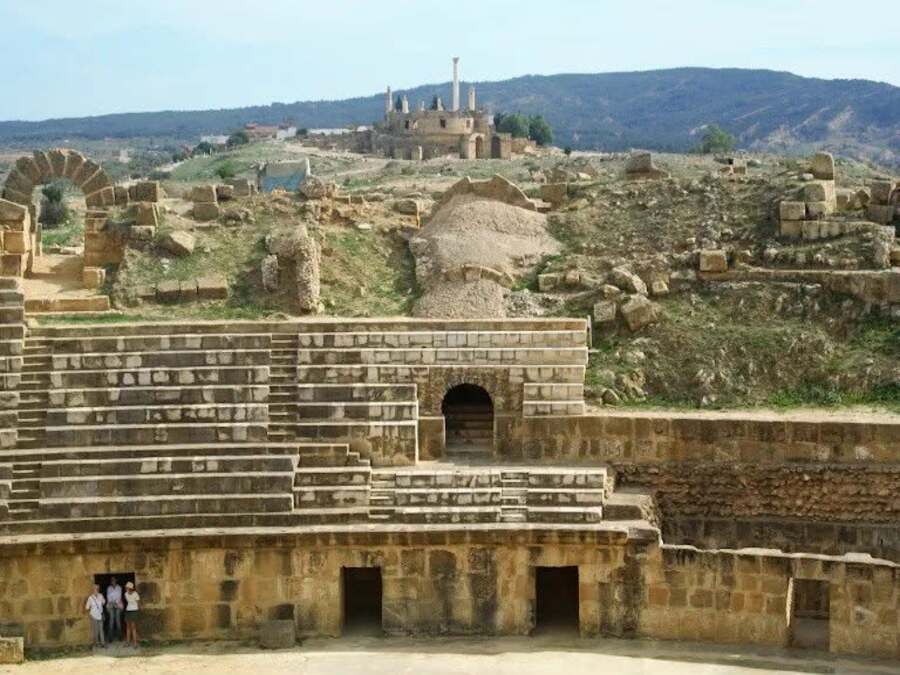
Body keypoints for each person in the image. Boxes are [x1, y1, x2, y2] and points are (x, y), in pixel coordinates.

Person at [85, 584, 105, 648]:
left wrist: (102, 601)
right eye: (95, 589)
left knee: (101, 629)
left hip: (100, 614)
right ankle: (96, 643)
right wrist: (91, 613)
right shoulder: (90, 598)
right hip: (94, 615)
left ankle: (103, 643)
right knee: (96, 630)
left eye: (97, 589)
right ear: (93, 590)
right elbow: (87, 607)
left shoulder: (101, 596)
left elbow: (104, 602)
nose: (96, 590)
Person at [106, 577, 123, 641]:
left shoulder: (119, 588)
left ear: (116, 580)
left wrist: (116, 602)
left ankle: (120, 636)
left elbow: (120, 596)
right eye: (112, 580)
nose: (113, 581)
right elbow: (108, 596)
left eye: (114, 580)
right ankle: (110, 637)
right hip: (111, 604)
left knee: (118, 620)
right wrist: (112, 602)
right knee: (111, 620)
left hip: (118, 604)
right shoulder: (109, 588)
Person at [123, 581, 140, 647]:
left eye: (127, 587)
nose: (126, 588)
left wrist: (136, 608)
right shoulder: (125, 594)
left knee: (133, 627)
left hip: (134, 611)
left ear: (130, 588)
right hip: (128, 610)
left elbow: (137, 602)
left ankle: (135, 643)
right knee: (128, 627)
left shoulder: (135, 594)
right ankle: (128, 642)